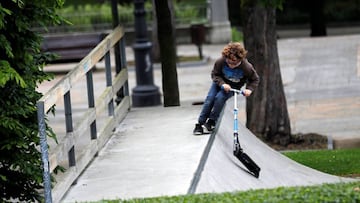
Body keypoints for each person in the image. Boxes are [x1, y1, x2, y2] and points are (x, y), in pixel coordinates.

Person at [193, 42, 260, 135]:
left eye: (234, 63)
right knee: (210, 99)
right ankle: (200, 123)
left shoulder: (246, 67)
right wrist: (222, 84)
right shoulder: (220, 62)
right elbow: (215, 74)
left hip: (233, 87)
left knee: (220, 98)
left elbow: (255, 79)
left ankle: (211, 121)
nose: (231, 65)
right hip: (218, 84)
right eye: (229, 62)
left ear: (240, 59)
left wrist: (249, 89)